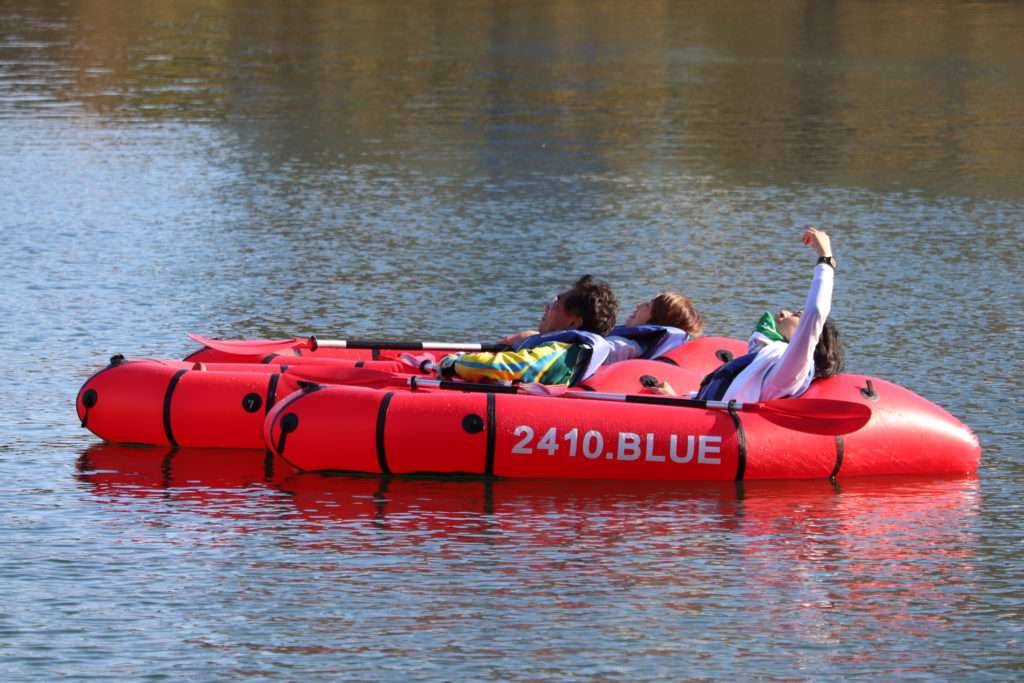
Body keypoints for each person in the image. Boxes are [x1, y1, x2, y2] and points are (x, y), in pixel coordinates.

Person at [692, 227, 843, 402]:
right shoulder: (762, 361)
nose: (784, 312)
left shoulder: (790, 372)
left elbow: (815, 311)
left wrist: (826, 258)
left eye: (796, 314)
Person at [437, 275, 619, 385]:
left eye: (556, 303)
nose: (547, 306)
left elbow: (509, 367)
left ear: (574, 322)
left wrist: (455, 364)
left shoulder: (562, 354)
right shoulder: (567, 350)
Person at [604, 291, 705, 364]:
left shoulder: (628, 347)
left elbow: (600, 350)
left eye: (648, 305)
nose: (639, 305)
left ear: (655, 320)